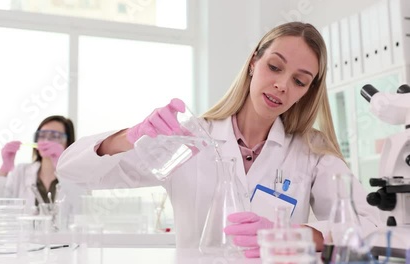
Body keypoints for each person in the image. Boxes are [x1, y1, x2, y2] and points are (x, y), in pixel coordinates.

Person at [56, 22, 380, 257]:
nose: (282, 85)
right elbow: (71, 171)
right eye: (274, 67)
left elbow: (372, 223)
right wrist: (132, 136)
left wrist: (299, 235)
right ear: (254, 63)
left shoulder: (312, 152)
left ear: (307, 91)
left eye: (299, 80)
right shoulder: (188, 139)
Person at [0, 115, 75, 207]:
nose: (46, 140)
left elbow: (82, 208)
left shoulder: (75, 177)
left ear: (68, 143)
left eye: (55, 136)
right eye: (42, 136)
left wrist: (61, 166)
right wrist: (4, 169)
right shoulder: (20, 172)